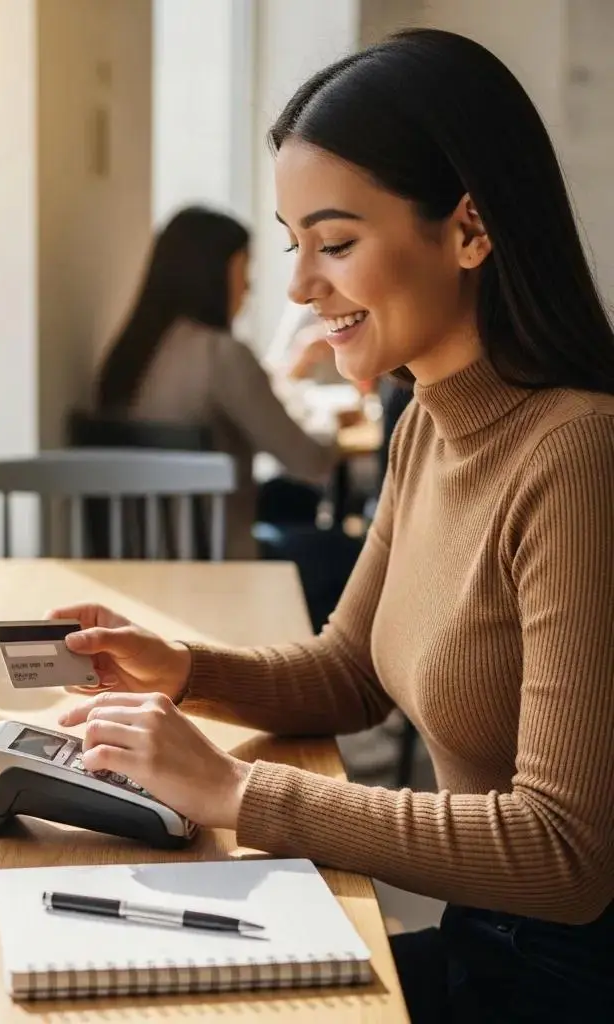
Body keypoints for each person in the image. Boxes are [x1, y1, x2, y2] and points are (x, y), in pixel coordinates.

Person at [50, 28, 614, 1022]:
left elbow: (565, 855)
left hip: (563, 977)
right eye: (291, 243)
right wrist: (181, 668)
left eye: (336, 241)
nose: (301, 286)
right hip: (489, 941)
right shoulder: (423, 427)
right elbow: (348, 671)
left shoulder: (577, 457)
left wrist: (237, 792)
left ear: (470, 230)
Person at [94, 205, 338, 559]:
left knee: (290, 501)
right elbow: (311, 462)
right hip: (220, 558)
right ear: (214, 274)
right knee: (343, 552)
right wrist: (331, 425)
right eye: (244, 269)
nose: (250, 287)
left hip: (138, 558)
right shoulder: (221, 355)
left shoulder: (127, 356)